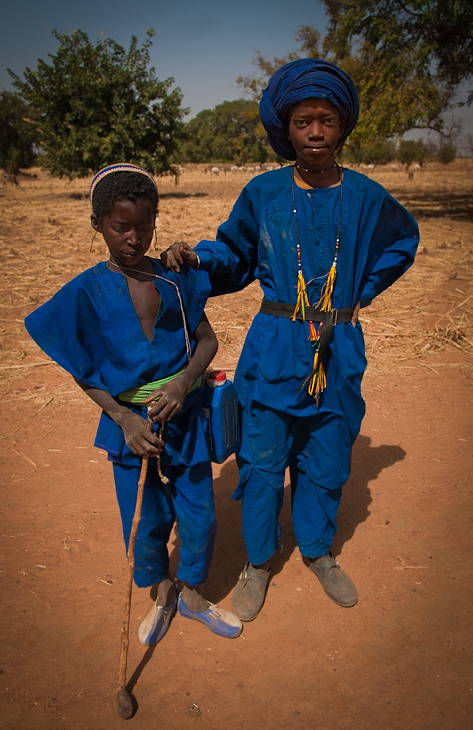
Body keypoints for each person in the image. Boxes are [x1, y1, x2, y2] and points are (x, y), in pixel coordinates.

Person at [162, 59, 420, 622]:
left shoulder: (370, 197)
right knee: (260, 461)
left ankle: (319, 552)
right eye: (304, 121)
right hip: (275, 346)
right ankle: (258, 563)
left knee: (327, 459)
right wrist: (199, 256)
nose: (316, 133)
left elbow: (403, 243)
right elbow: (235, 255)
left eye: (326, 120)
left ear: (342, 126)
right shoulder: (265, 192)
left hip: (339, 347)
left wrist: (358, 294)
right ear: (288, 128)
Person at [25, 163, 242, 643]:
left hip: (184, 417)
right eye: (121, 226)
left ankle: (191, 593)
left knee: (199, 514)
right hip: (130, 428)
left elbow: (207, 342)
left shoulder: (173, 278)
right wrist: (123, 417)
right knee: (145, 520)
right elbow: (83, 370)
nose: (134, 237)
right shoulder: (86, 291)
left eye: (145, 225)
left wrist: (184, 383)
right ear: (98, 224)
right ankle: (162, 591)